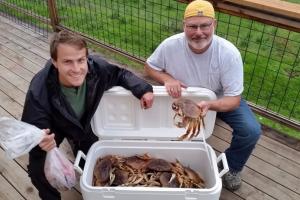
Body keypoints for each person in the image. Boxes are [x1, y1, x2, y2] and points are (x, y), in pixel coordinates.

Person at [22, 30, 154, 200]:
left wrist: (143, 90)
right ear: (55, 62)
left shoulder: (98, 68)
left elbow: (120, 74)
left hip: (84, 123)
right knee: (37, 168)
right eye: (68, 62)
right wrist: (40, 140)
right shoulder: (39, 90)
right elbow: (30, 130)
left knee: (94, 158)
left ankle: (91, 186)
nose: (77, 69)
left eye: (80, 60)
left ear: (87, 58)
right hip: (56, 127)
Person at [145, 0, 261, 191]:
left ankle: (231, 167)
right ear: (184, 26)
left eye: (205, 25)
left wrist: (210, 105)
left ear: (214, 24)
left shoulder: (229, 53)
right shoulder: (170, 45)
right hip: (181, 98)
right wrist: (167, 79)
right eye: (192, 26)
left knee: (251, 130)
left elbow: (234, 99)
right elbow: (150, 67)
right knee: (167, 132)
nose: (199, 32)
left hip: (218, 98)